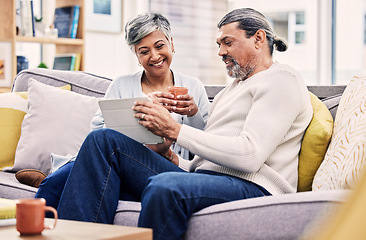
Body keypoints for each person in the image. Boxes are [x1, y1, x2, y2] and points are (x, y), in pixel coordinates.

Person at [55, 8, 313, 240]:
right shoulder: (228, 92)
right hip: (206, 177)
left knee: (164, 186)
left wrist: (174, 129)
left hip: (255, 187)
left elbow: (249, 155)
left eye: (228, 42)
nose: (221, 52)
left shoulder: (281, 79)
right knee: (103, 140)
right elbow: (208, 161)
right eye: (219, 44)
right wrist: (174, 158)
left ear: (258, 39)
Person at [34, 12, 210, 210]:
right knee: (54, 183)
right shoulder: (122, 84)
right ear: (137, 56)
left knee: (83, 178)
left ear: (171, 43)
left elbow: (208, 141)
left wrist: (193, 113)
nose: (154, 56)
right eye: (144, 51)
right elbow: (98, 133)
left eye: (160, 46)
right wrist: (144, 106)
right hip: (118, 162)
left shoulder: (193, 87)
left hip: (166, 168)